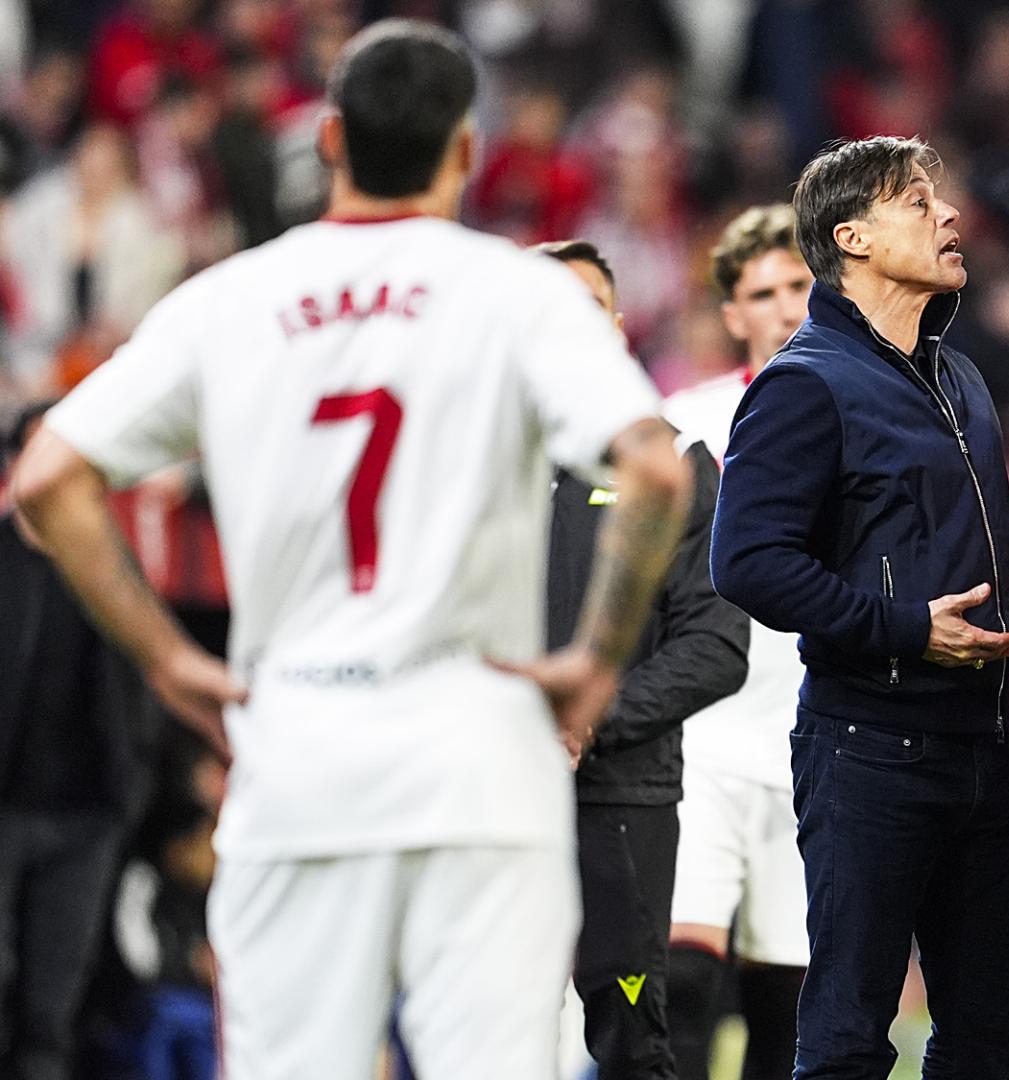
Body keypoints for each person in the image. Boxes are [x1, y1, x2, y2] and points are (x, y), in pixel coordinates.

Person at [9, 21, 691, 1080]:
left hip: (299, 757)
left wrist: (165, 657)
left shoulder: (231, 299)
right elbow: (653, 467)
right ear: (464, 150)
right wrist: (596, 657)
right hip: (478, 761)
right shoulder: (515, 294)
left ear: (328, 140)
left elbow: (49, 478)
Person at [710, 136, 1009, 1080]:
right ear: (854, 238)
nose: (949, 214)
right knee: (846, 1036)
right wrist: (907, 629)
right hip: (869, 750)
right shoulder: (804, 381)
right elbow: (747, 562)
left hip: (989, 753)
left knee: (995, 1040)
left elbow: (1002, 548)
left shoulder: (955, 373)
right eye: (919, 202)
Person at [536, 238, 751, 1080]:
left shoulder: (678, 465)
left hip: (620, 795)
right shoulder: (469, 465)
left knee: (629, 1033)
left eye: (587, 306)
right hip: (483, 788)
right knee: (475, 1032)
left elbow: (716, 646)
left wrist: (589, 720)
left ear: (618, 326)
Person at [659, 205, 813, 1080]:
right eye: (763, 292)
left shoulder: (870, 408)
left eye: (799, 284)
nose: (786, 306)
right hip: (703, 737)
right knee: (678, 980)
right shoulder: (684, 422)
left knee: (785, 1010)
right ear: (732, 315)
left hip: (814, 739)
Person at [0, 401, 156, 1080]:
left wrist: (130, 790)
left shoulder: (113, 569)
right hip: (8, 812)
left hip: (85, 817)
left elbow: (148, 685)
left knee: (52, 1007)